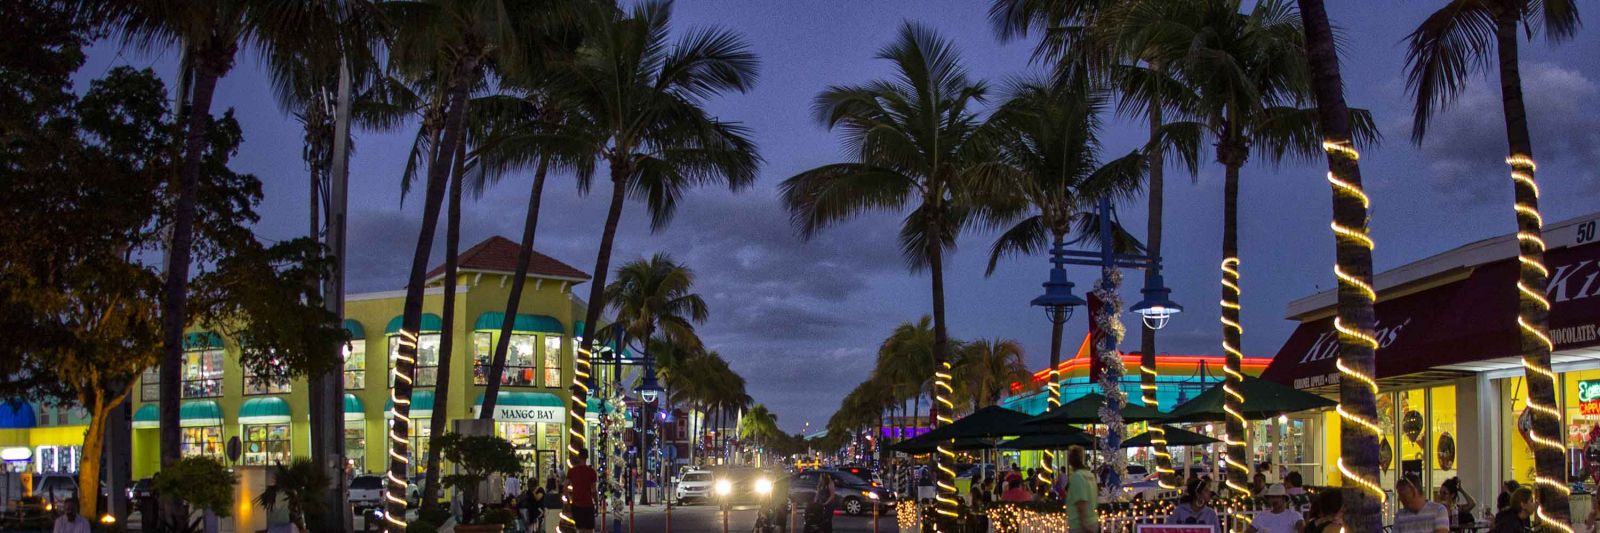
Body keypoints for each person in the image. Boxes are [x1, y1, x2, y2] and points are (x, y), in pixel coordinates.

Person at [1064, 446, 1100, 533]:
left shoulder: (1077, 476)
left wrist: (1084, 523)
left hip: (1080, 525)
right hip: (1093, 520)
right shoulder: (1090, 475)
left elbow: (1081, 501)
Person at [566, 450, 599, 533]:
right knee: (589, 530)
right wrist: (596, 503)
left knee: (579, 529)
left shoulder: (572, 471)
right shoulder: (591, 472)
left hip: (576, 504)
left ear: (579, 457)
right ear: (587, 457)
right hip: (588, 504)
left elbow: (564, 487)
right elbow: (594, 490)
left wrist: (569, 500)